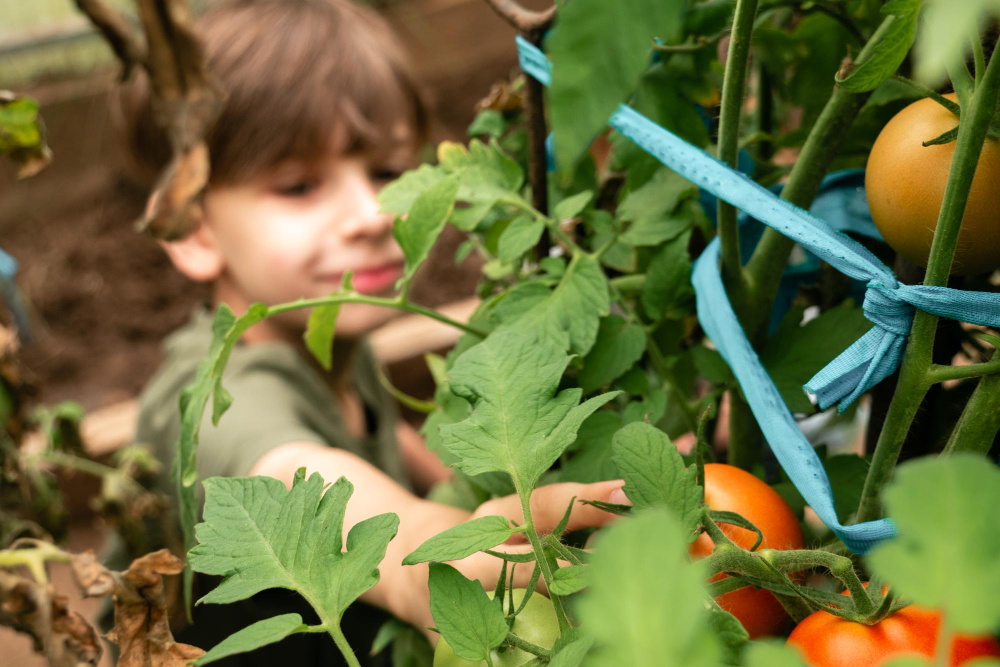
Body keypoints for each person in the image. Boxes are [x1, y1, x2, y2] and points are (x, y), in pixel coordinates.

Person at [117, 1, 624, 664]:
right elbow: (299, 477)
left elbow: (384, 444)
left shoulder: (324, 337)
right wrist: (424, 554)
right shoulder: (218, 395)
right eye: (299, 185)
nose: (370, 213)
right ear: (192, 228)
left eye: (386, 171)